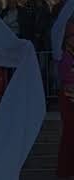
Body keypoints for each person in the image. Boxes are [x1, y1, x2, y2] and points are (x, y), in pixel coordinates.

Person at [57, 22, 74, 180]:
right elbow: (67, 79)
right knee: (69, 135)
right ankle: (65, 171)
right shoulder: (65, 59)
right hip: (69, 99)